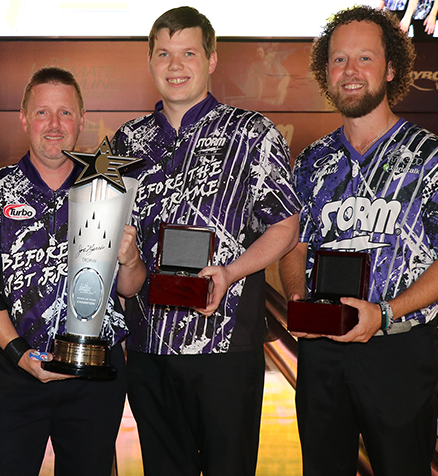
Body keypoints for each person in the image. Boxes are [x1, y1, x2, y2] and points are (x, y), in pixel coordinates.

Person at [278, 6, 438, 476]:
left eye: (364, 58)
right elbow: (295, 247)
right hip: (323, 351)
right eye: (338, 60)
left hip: (399, 350)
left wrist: (386, 312)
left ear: (391, 69)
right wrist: (295, 300)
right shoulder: (312, 161)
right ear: (325, 72)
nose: (350, 72)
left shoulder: (430, 157)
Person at [111, 6, 301, 476]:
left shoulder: (253, 133)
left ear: (212, 60)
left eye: (189, 53)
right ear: (150, 62)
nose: (175, 66)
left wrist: (231, 271)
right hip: (149, 347)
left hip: (226, 348)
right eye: (164, 54)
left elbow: (285, 225)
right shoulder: (125, 142)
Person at [0, 66, 145, 476]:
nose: (54, 125)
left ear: (81, 119)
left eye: (65, 113)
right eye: (42, 113)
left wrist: (129, 260)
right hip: (17, 369)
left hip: (96, 376)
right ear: (24, 119)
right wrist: (21, 356)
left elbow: (130, 288)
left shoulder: (111, 190)